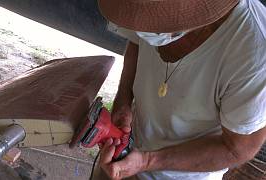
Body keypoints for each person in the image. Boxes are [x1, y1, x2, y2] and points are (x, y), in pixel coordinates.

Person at [94, 0, 266, 179]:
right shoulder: (142, 10)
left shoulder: (255, 55)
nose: (146, 34)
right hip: (127, 149)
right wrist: (123, 100)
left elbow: (237, 149)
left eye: (157, 27)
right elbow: (136, 42)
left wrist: (148, 161)